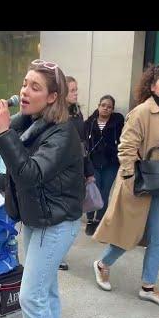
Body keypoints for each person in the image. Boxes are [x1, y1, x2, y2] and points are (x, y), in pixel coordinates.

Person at [0, 59, 84, 318]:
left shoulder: (63, 133)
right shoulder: (32, 122)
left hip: (55, 223)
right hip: (37, 218)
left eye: (35, 87)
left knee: (31, 296)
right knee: (46, 293)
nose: (25, 91)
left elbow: (29, 174)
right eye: (25, 83)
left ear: (53, 96)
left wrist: (3, 132)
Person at [92, 64, 159, 308]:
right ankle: (102, 264)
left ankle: (148, 286)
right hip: (139, 183)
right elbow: (127, 147)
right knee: (129, 233)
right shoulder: (141, 112)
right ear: (152, 86)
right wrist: (131, 179)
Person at [58, 75, 94, 271]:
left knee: (73, 217)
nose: (76, 93)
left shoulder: (77, 113)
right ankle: (58, 256)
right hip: (61, 173)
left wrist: (89, 172)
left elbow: (83, 146)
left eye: (76, 90)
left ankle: (60, 253)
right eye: (72, 90)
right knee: (64, 217)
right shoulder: (54, 116)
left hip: (77, 171)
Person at [83, 95, 124, 236]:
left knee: (104, 193)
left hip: (111, 164)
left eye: (109, 107)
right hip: (93, 163)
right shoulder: (89, 122)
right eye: (103, 105)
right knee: (93, 190)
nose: (106, 108)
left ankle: (99, 221)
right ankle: (89, 221)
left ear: (112, 109)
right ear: (98, 105)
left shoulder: (118, 123)